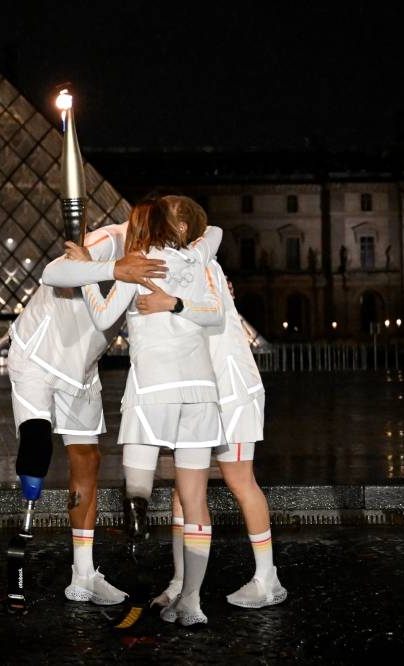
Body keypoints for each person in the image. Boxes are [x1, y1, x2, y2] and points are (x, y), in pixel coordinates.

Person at [63, 197, 224, 626]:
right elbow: (217, 314)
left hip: (152, 388)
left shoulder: (136, 264)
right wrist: (176, 303)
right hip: (200, 391)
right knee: (194, 500)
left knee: (138, 471)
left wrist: (85, 274)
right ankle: (192, 601)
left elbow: (102, 317)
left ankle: (137, 503)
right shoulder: (194, 260)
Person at [137, 195, 287, 610]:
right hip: (202, 390)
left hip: (232, 391)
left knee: (240, 480)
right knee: (184, 493)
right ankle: (181, 582)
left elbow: (215, 313)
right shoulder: (179, 264)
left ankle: (266, 578)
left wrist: (172, 303)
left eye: (164, 216)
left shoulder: (202, 265)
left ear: (183, 227)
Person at [8, 218, 166, 606]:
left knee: (88, 459)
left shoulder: (157, 256)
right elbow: (53, 271)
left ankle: (82, 575)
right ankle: (24, 528)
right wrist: (114, 268)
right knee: (36, 443)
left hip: (81, 370)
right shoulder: (108, 240)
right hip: (38, 358)